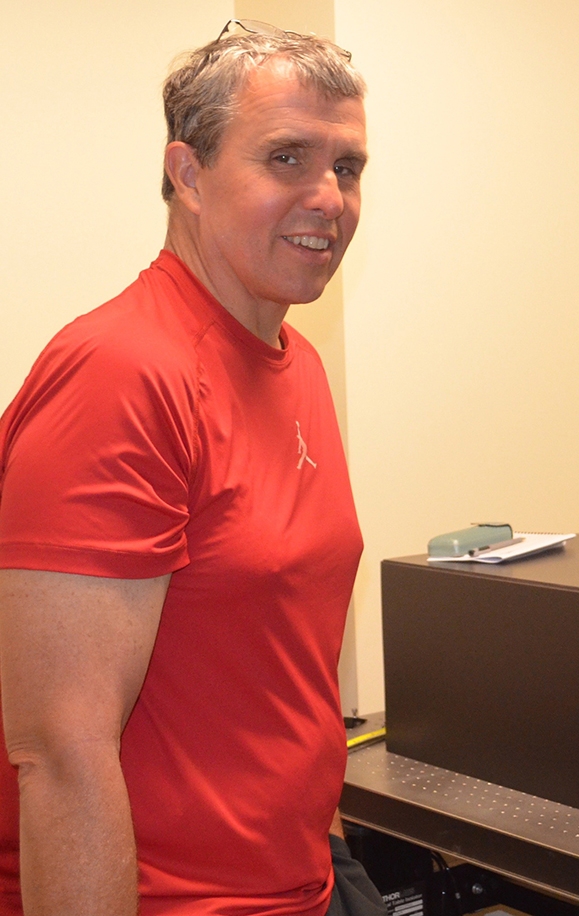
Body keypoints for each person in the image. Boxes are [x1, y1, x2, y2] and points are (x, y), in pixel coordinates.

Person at [0, 21, 384, 916]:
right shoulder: (123, 370)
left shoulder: (297, 362)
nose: (329, 197)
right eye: (286, 158)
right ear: (188, 175)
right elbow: (60, 753)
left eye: (349, 167)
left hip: (302, 880)